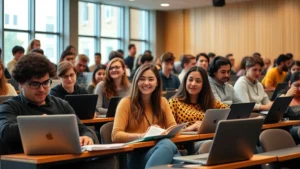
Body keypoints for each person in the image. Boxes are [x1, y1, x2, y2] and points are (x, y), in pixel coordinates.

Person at [0, 53, 115, 168]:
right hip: (30, 164)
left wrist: (87, 137)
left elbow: (82, 129)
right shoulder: (10, 107)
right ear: (20, 83)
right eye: (34, 84)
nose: (41, 89)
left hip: (65, 161)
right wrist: (37, 124)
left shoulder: (61, 104)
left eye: (45, 83)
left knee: (108, 160)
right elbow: (6, 133)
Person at [112, 64, 180, 169]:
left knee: (173, 153)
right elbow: (115, 135)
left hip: (159, 150)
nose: (146, 83)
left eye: (151, 79)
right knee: (171, 150)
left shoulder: (163, 102)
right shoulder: (125, 103)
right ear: (136, 81)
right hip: (134, 156)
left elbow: (174, 128)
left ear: (157, 82)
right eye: (142, 79)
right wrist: (142, 136)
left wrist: (161, 132)